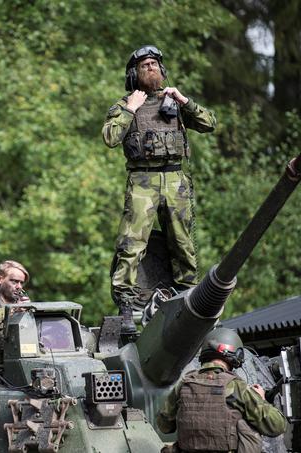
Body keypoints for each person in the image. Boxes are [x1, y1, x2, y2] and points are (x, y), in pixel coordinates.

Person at [102, 45, 217, 330]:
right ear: (134, 74)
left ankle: (187, 295)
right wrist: (131, 108)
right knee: (132, 243)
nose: (150, 68)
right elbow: (110, 136)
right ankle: (127, 304)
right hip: (143, 179)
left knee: (183, 243)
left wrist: (184, 100)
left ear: (162, 70)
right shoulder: (125, 104)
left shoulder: (174, 102)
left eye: (154, 64)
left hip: (176, 178)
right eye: (144, 65)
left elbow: (208, 123)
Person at [156, 328, 287, 453]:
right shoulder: (237, 387)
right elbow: (277, 425)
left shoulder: (183, 385)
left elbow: (164, 426)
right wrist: (261, 398)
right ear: (235, 354)